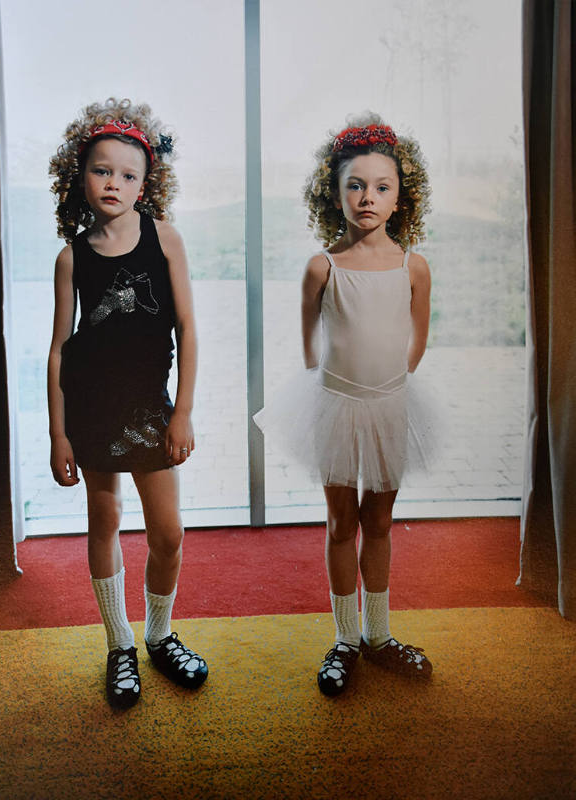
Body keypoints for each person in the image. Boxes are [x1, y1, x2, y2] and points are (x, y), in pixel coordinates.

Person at [255, 113, 434, 696]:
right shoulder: (322, 266)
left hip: (389, 406)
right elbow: (309, 343)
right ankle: (345, 638)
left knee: (379, 521)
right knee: (341, 523)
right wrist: (327, 389)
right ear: (332, 194)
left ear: (402, 197)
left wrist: (390, 386)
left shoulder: (414, 266)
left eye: (382, 187)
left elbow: (416, 340)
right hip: (334, 406)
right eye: (355, 185)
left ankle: (379, 637)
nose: (368, 197)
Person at [48, 98, 207, 708]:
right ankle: (119, 645)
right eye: (101, 170)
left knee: (168, 533)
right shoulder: (72, 257)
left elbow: (187, 329)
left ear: (147, 183)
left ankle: (160, 635)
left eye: (128, 174)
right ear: (79, 175)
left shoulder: (165, 239)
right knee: (105, 518)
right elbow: (60, 351)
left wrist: (183, 411)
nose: (114, 183)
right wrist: (60, 434)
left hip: (150, 409)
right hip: (90, 407)